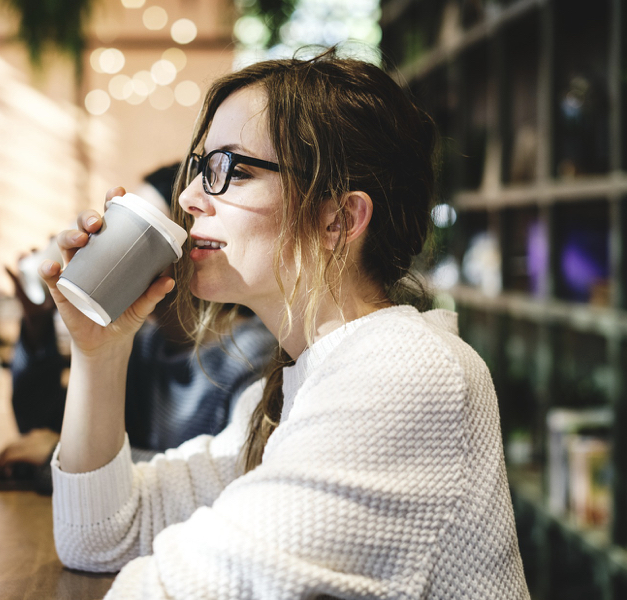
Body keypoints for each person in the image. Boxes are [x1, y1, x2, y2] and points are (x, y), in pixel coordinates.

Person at [42, 49, 529, 598]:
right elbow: (101, 537)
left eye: (232, 169)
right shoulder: (281, 399)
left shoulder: (407, 374)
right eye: (201, 167)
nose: (189, 196)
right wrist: (99, 354)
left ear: (337, 219)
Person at [0, 164, 276, 490]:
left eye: (139, 227)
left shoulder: (251, 356)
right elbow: (39, 428)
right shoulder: (145, 340)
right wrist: (38, 324)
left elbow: (230, 479)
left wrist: (54, 459)